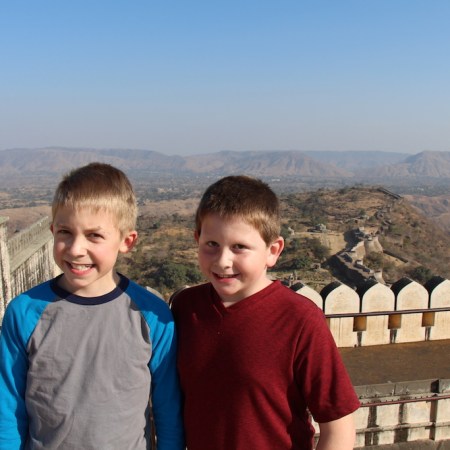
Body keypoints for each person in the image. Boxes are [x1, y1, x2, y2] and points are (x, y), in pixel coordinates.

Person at [0, 162, 184, 450]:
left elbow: (167, 410)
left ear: (126, 241)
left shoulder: (152, 316)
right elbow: (8, 408)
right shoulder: (24, 312)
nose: (75, 249)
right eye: (65, 232)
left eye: (94, 235)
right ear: (52, 230)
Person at [171, 175, 360, 450]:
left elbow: (338, 426)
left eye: (239, 247)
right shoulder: (186, 307)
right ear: (197, 239)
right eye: (212, 244)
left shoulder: (298, 319)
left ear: (273, 251)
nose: (223, 261)